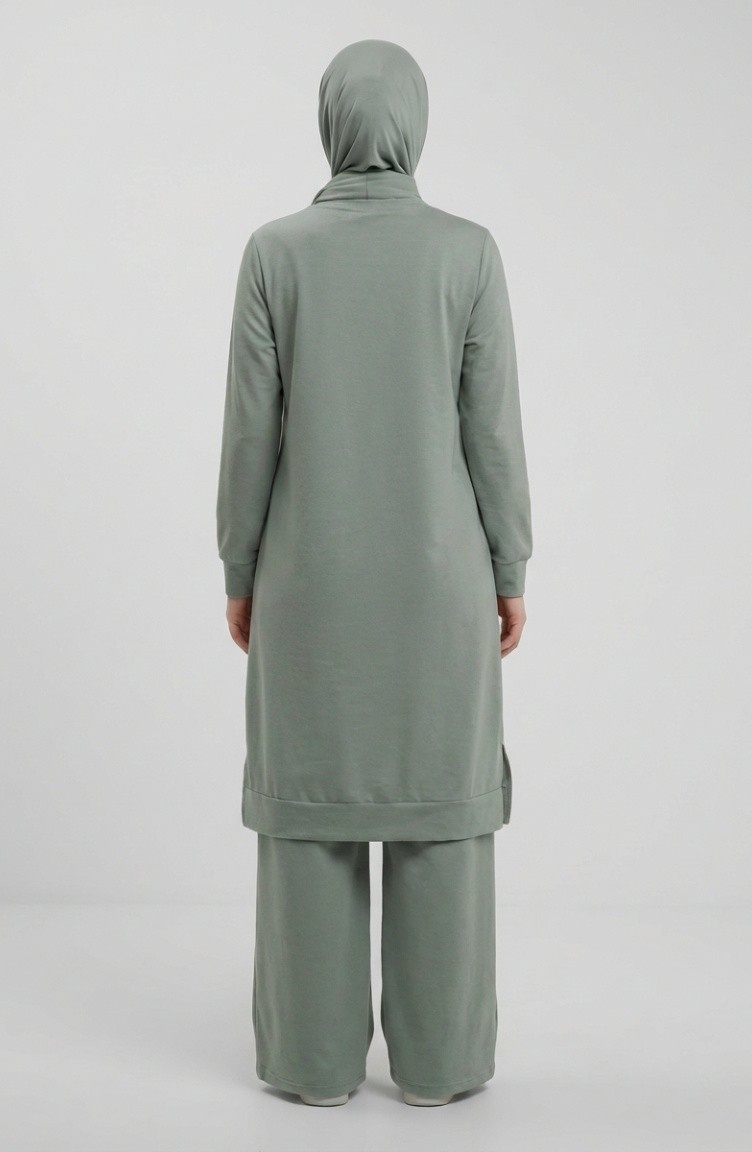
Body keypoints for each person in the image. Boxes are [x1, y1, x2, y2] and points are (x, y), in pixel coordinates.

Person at [216, 38, 533, 1108]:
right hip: (443, 589)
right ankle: (441, 1067)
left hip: (307, 588)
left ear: (329, 122)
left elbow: (249, 437)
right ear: (415, 123)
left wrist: (240, 567)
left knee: (310, 816)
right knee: (442, 817)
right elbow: (492, 434)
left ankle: (312, 1067)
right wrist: (509, 567)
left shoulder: (274, 253)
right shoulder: (467, 254)